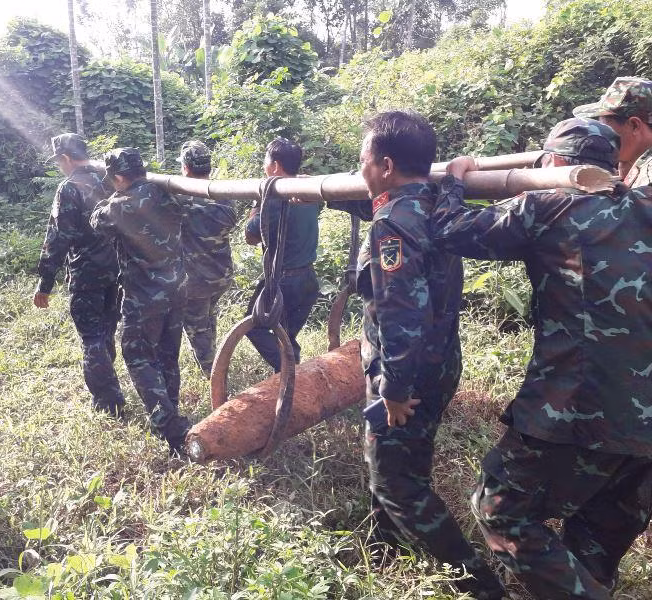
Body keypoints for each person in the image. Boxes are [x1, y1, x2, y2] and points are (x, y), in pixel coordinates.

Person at [434, 117, 652, 599]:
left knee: (500, 509)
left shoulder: (549, 205)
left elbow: (451, 230)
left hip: (578, 407)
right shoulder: (643, 204)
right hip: (645, 427)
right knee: (593, 544)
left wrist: (453, 179)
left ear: (553, 163)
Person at [328, 111, 504, 600]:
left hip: (408, 374)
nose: (358, 169)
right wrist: (456, 177)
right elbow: (442, 195)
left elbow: (401, 313)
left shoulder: (393, 225)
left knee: (396, 483)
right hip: (438, 362)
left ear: (385, 165)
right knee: (400, 463)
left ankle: (481, 586)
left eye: (362, 161)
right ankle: (382, 548)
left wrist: (394, 390)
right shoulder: (433, 204)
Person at [90, 148, 190, 453]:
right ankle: (170, 407)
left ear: (119, 177)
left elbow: (96, 221)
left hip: (144, 296)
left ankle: (168, 425)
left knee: (137, 354)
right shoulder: (168, 193)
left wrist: (112, 197)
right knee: (168, 352)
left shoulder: (121, 205)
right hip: (177, 288)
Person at [33, 133, 124, 417]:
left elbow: (58, 237)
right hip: (117, 269)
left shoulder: (69, 188)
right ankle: (109, 384)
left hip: (87, 273)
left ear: (67, 159)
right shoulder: (111, 180)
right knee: (107, 329)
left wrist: (44, 283)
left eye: (60, 162)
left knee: (92, 337)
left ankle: (109, 402)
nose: (61, 167)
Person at [243, 137, 321, 372]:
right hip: (308, 279)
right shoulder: (309, 192)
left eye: (266, 162)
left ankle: (290, 373)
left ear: (275, 166)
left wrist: (259, 203)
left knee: (253, 326)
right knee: (286, 336)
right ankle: (289, 377)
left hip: (284, 282)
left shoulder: (275, 199)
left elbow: (250, 236)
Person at [177, 141, 237, 376]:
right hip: (221, 274)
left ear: (185, 168)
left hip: (196, 281)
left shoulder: (182, 199)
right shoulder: (223, 195)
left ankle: (212, 374)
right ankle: (214, 359)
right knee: (207, 318)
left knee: (197, 327)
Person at [574, 76, 652, 188]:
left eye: (605, 128)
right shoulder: (633, 161)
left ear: (634, 125)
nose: (601, 135)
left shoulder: (648, 176)